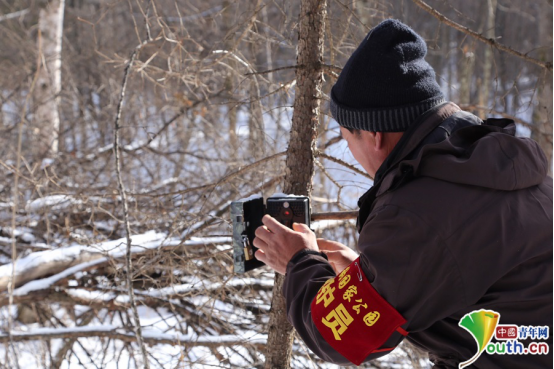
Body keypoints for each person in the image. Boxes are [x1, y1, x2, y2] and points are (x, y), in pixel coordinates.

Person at [253, 19, 553, 368]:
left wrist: (298, 262)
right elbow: (454, 267)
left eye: (347, 138)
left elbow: (341, 338)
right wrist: (368, 276)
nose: (350, 151)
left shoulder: (417, 212)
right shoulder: (492, 165)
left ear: (374, 135)